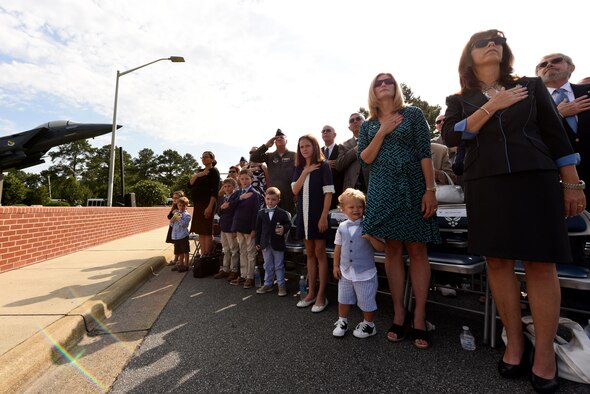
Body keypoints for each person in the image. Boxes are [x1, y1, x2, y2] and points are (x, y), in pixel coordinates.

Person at [442, 30, 585, 393]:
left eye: (497, 40)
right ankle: (516, 343)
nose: (492, 43)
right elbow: (454, 137)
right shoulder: (459, 98)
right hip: (484, 181)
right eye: (482, 41)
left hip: (534, 178)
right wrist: (494, 105)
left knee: (540, 263)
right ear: (469, 56)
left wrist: (571, 181)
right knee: (498, 263)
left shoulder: (532, 86)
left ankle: (546, 356)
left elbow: (556, 134)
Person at [358, 72, 440, 349]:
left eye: (388, 81)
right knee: (392, 250)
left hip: (413, 186)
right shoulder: (368, 125)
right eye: (378, 82)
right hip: (382, 189)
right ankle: (399, 312)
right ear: (373, 90)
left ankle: (419, 316)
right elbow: (366, 158)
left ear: (395, 88)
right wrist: (383, 130)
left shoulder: (413, 114)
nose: (383, 85)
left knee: (417, 250)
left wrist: (430, 190)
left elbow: (424, 153)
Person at [332, 188, 385, 339]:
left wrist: (370, 237)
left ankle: (369, 324)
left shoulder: (370, 225)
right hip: (346, 271)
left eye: (360, 206)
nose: (356, 210)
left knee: (366, 300)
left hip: (365, 272)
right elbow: (338, 247)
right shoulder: (342, 227)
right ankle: (342, 321)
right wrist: (335, 266)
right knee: (343, 298)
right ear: (342, 209)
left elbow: (382, 247)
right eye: (351, 207)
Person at [292, 134, 334, 312]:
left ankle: (321, 295)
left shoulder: (323, 166)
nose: (304, 149)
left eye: (307, 146)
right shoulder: (299, 167)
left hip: (318, 216)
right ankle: (311, 293)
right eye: (301, 147)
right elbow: (295, 189)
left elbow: (329, 193)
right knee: (309, 253)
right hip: (303, 215)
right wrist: (305, 171)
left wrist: (324, 216)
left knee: (320, 253)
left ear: (314, 147)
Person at [255, 187, 292, 296]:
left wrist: (283, 229)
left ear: (278, 200)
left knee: (279, 265)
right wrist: (257, 242)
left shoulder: (282, 213)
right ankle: (268, 284)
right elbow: (258, 229)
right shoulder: (261, 213)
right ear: (264, 198)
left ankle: (281, 285)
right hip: (265, 243)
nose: (270, 201)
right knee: (267, 264)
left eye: (273, 199)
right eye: (268, 199)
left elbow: (288, 224)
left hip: (278, 243)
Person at [250, 129, 296, 214]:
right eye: (277, 138)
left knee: (288, 218)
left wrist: (296, 193)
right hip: (273, 194)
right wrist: (266, 145)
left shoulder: (294, 155)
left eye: (281, 137)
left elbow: (298, 173)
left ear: (286, 140)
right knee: (272, 219)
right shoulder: (270, 156)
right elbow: (253, 157)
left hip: (289, 193)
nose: (279, 139)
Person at [229, 169, 261, 289]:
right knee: (242, 252)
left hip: (249, 228)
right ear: (239, 180)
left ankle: (250, 277)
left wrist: (254, 229)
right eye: (242, 179)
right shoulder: (237, 194)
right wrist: (241, 198)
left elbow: (256, 213)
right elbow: (230, 207)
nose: (244, 181)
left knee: (251, 253)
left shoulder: (255, 194)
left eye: (247, 179)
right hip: (239, 227)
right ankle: (242, 275)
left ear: (251, 180)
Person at [188, 151, 221, 256]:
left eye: (206, 157)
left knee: (207, 231)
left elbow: (214, 191)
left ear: (212, 159)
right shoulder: (200, 172)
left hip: (207, 204)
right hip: (198, 205)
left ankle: (207, 255)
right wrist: (198, 174)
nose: (204, 159)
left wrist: (210, 207)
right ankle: (203, 254)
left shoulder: (214, 171)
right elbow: (190, 184)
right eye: (202, 157)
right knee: (200, 231)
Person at [335, 113, 371, 193]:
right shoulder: (344, 145)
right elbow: (339, 165)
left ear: (365, 123)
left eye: (358, 119)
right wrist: (355, 150)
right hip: (352, 189)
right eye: (352, 120)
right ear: (349, 127)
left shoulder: (374, 140)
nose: (355, 121)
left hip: (372, 187)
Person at [214, 178, 240, 281]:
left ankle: (234, 270)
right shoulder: (225, 197)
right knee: (225, 249)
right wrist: (222, 207)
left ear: (234, 187)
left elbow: (235, 212)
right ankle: (225, 269)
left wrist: (234, 229)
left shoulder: (236, 196)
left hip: (231, 227)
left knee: (234, 250)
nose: (227, 188)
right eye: (225, 186)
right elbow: (220, 212)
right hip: (223, 227)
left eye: (229, 186)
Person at [321, 125, 343, 209]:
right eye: (323, 131)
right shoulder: (318, 152)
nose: (325, 132)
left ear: (334, 135)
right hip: (321, 193)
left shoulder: (341, 149)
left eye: (328, 130)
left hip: (338, 191)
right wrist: (325, 164)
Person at [170, 197, 192, 272]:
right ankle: (180, 264)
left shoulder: (187, 215)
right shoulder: (176, 214)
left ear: (187, 206)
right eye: (180, 205)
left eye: (183, 205)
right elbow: (172, 225)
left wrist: (178, 217)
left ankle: (186, 265)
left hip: (183, 235)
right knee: (179, 251)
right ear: (177, 206)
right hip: (176, 236)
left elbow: (184, 225)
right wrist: (172, 220)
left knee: (185, 251)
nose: (181, 207)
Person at [165, 190, 184, 267]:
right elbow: (169, 217)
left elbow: (182, 217)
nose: (174, 199)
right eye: (173, 198)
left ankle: (178, 260)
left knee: (179, 244)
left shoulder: (182, 207)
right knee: (175, 244)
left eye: (176, 198)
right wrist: (173, 213)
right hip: (173, 228)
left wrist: (176, 214)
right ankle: (176, 259)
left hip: (179, 228)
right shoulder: (174, 207)